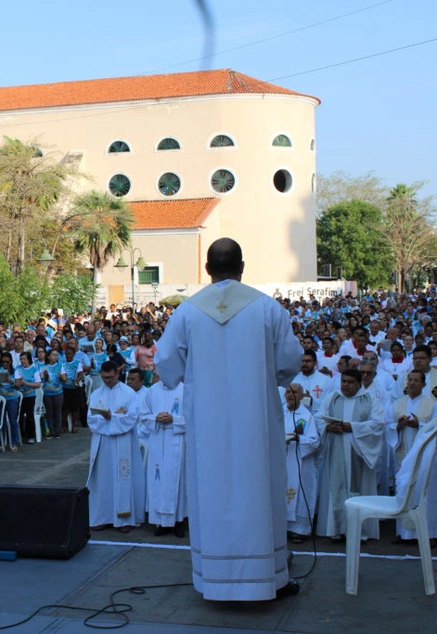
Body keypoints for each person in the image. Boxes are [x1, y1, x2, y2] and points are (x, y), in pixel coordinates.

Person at [154, 238, 302, 601]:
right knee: (260, 489)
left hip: (207, 426)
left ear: (207, 268)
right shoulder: (268, 309)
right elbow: (289, 363)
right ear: (242, 266)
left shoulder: (187, 311)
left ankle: (213, 580)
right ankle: (269, 578)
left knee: (213, 492)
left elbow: (166, 367)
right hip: (257, 425)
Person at [316, 368, 386, 540]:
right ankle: (335, 530)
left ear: (359, 383)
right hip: (335, 449)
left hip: (358, 451)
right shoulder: (332, 398)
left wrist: (353, 427)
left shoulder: (369, 399)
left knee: (357, 488)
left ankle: (358, 531)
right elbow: (318, 418)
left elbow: (378, 424)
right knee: (336, 487)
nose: (345, 385)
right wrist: (328, 427)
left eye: (350, 382)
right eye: (343, 381)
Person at [86, 361, 144, 533]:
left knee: (122, 477)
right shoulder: (97, 393)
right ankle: (102, 517)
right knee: (103, 480)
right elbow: (91, 417)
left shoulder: (128, 393)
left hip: (122, 440)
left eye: (110, 377)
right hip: (103, 441)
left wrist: (113, 417)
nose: (107, 381)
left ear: (117, 374)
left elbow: (132, 417)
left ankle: (123, 518)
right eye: (104, 378)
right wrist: (110, 416)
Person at [386, 369, 437, 542]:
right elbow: (386, 425)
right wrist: (398, 426)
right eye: (409, 380)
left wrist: (420, 424)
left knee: (427, 492)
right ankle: (404, 532)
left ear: (424, 384)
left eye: (416, 380)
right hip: (403, 453)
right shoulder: (397, 405)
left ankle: (430, 533)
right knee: (404, 489)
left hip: (425, 457)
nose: (412, 383)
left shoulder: (433, 405)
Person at [138, 369, 187, 537]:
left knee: (177, 479)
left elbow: (193, 417)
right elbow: (143, 416)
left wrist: (175, 419)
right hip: (157, 439)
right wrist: (156, 418)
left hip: (177, 439)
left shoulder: (184, 390)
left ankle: (178, 521)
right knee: (157, 478)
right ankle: (160, 522)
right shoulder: (153, 391)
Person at [283, 383, 319, 543]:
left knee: (299, 494)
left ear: (302, 395)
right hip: (281, 460)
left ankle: (299, 529)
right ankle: (282, 527)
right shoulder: (279, 413)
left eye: (295, 392)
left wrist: (299, 439)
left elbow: (314, 442)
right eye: (288, 392)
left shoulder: (307, 416)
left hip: (300, 462)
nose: (291, 395)